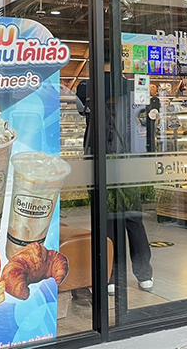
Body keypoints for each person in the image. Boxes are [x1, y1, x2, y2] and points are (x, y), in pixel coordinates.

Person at [76, 76, 154, 293]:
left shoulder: (87, 85)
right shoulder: (130, 86)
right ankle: (144, 275)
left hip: (100, 161)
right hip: (127, 161)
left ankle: (110, 276)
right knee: (133, 219)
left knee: (107, 220)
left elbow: (80, 110)